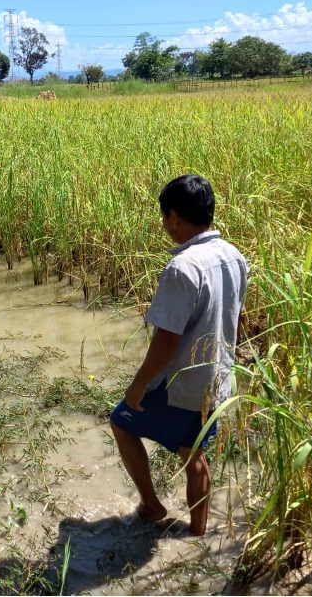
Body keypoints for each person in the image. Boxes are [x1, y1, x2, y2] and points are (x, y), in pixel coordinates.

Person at [110, 174, 248, 535]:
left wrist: (137, 387)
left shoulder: (182, 267)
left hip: (181, 384)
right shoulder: (234, 256)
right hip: (216, 380)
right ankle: (198, 533)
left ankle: (153, 506)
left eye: (163, 218)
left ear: (174, 217)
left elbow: (167, 340)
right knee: (193, 452)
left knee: (122, 423)